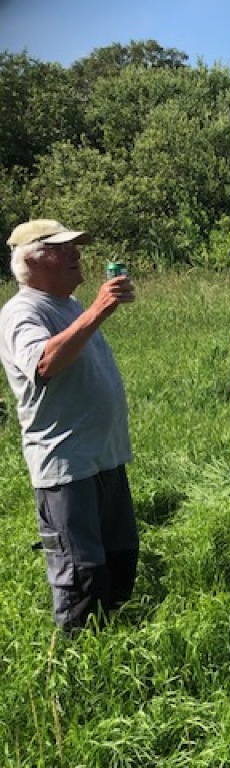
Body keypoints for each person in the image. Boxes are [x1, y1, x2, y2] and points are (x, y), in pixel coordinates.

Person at [0, 219, 139, 633]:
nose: (76, 253)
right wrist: (98, 311)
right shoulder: (21, 312)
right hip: (66, 465)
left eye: (74, 246)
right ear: (32, 261)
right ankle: (81, 660)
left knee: (120, 559)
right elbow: (43, 364)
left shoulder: (69, 305)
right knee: (82, 575)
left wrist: (91, 312)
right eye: (62, 248)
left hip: (104, 458)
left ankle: (117, 646)